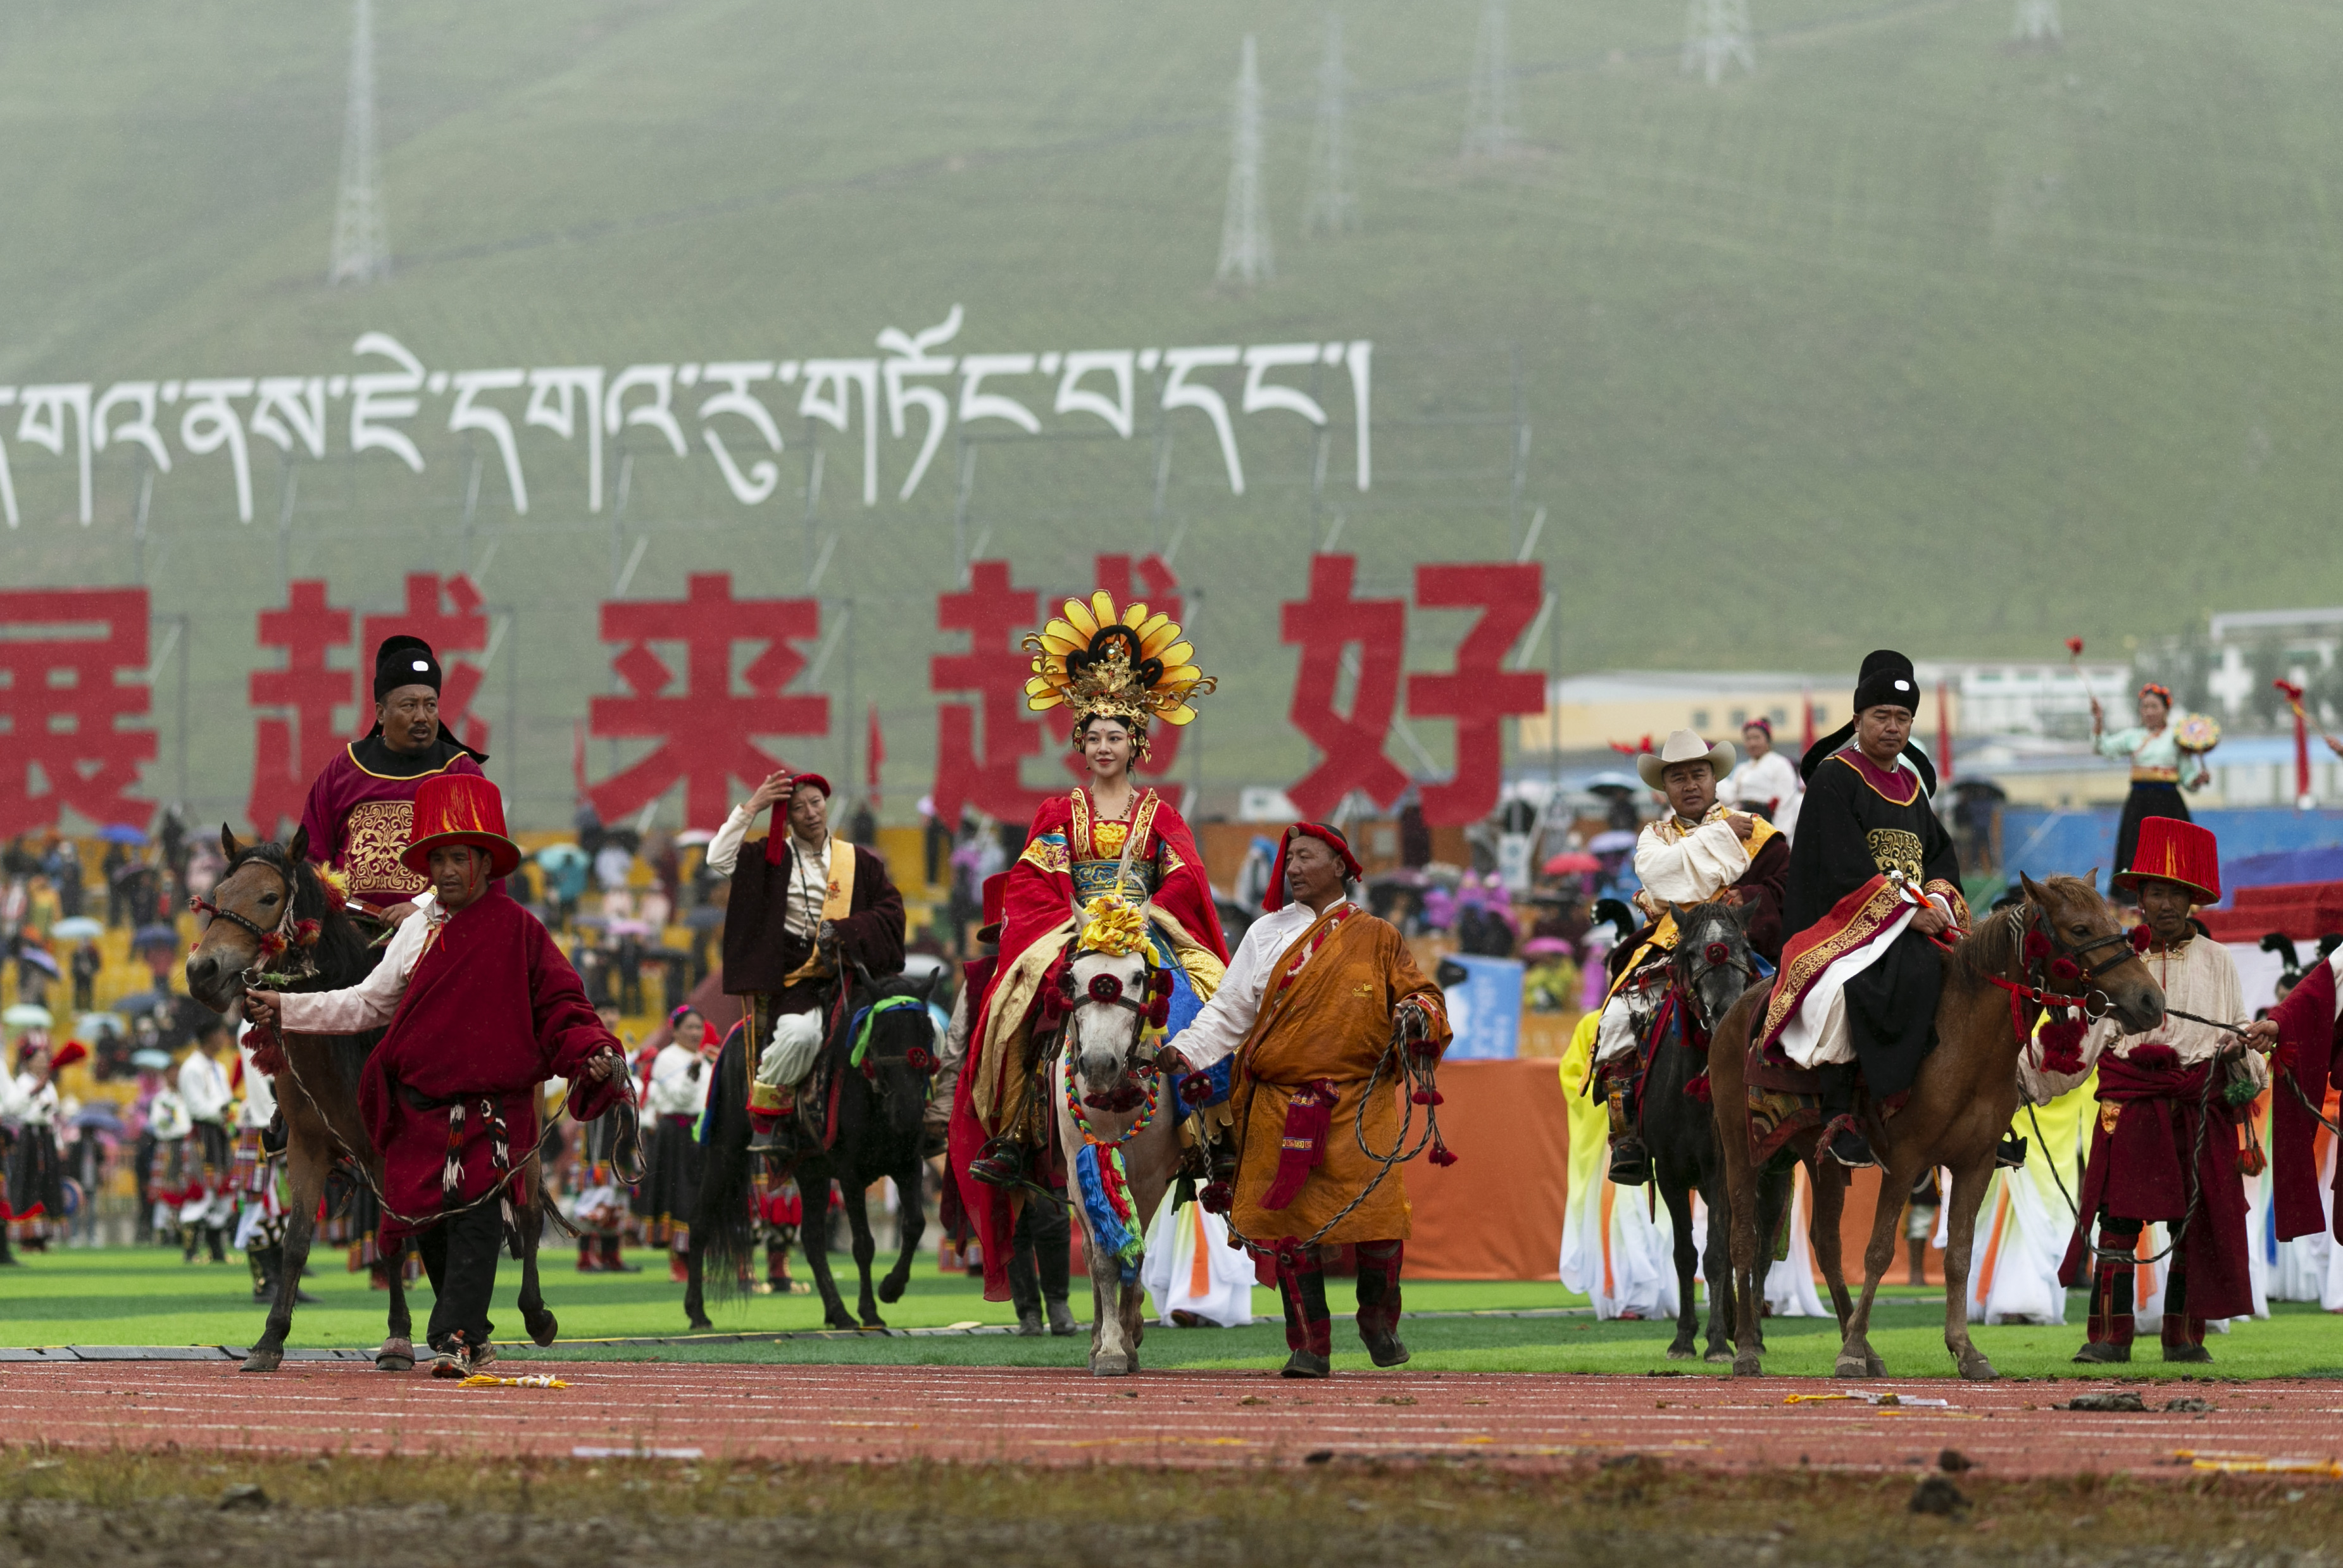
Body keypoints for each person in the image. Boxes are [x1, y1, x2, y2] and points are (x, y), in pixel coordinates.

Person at [246, 773, 629, 1376]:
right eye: (438, 860)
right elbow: (366, 1004)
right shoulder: (414, 931)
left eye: (459, 859)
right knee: (425, 1220)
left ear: (485, 863)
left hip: (490, 1108)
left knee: (475, 1219)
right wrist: (286, 1007)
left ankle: (454, 1335)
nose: (447, 872)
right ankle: (472, 1335)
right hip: (417, 1109)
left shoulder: (520, 930)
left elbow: (562, 1004)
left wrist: (592, 1051)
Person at [949, 589, 1230, 1305]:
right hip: (1072, 932)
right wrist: (1073, 918)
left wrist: (1149, 912)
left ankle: (1212, 1133)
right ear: (1081, 743)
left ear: (1137, 744)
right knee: (1019, 1007)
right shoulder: (1059, 812)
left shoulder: (1159, 814)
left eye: (1116, 737)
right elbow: (1034, 879)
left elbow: (1186, 879)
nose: (1105, 747)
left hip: (1146, 933)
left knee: (1203, 1001)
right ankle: (1017, 1131)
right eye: (1095, 736)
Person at [1163, 823, 1449, 1378]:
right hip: (1280, 1101)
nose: (1292, 868)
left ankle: (1378, 1321)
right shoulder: (1264, 933)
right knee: (1290, 1229)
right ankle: (1309, 1346)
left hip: (1360, 1102)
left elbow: (1422, 994)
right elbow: (1229, 1012)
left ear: (1340, 865)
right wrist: (1186, 1051)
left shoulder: (1379, 936)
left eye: (1305, 857)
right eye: (1289, 858)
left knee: (1381, 1222)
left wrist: (1417, 1014)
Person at [2030, 820, 2266, 1363]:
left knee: (2192, 1224)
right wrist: (2024, 1082)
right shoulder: (2112, 958)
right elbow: (2086, 1039)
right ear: (2139, 898)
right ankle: (2108, 1339)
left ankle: (2183, 1340)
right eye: (2156, 892)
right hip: (2131, 1106)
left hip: (2195, 1107)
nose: (2165, 904)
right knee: (2116, 1223)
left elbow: (2237, 1027)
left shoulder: (2219, 960)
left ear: (2193, 900)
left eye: (2177, 893)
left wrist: (2238, 1050)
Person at [1763, 650, 1967, 1171]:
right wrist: (1905, 914)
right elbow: (1840, 865)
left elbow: (1939, 855)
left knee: (1975, 978)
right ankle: (1841, 1111)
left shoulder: (1913, 787)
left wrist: (1937, 901)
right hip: (1841, 925)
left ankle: (1972, 1111)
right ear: (1857, 721)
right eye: (1881, 716)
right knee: (1864, 982)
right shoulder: (1834, 778)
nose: (1892, 727)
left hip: (1912, 917)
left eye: (1902, 718)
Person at [1589, 729, 1790, 1184]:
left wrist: (1748, 896)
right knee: (1617, 1019)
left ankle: (1800, 1112)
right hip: (1671, 948)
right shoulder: (1654, 838)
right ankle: (1627, 1134)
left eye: (1698, 774)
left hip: (1744, 947)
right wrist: (1720, 837)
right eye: (1678, 778)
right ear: (1665, 787)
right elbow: (1660, 880)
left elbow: (1786, 884)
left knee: (1796, 1011)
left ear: (1715, 779)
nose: (1691, 785)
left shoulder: (1756, 831)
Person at [706, 770, 905, 1152]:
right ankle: (768, 1110)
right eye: (799, 808)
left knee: (914, 1023)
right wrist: (754, 806)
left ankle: (923, 1116)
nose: (811, 813)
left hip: (854, 974)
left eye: (816, 803)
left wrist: (849, 930)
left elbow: (891, 911)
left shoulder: (859, 861)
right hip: (796, 980)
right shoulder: (770, 859)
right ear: (787, 816)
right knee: (801, 1035)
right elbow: (717, 858)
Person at [296, 635, 489, 926]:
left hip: (435, 933)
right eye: (409, 706)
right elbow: (311, 856)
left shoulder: (460, 772)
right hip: (349, 934)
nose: (422, 717)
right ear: (381, 713)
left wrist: (424, 907)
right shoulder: (344, 768)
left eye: (430, 706)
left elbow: (481, 863)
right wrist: (339, 911)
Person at [2091, 683, 2209, 902]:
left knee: (2172, 856)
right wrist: (2098, 721)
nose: (2149, 712)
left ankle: (2175, 900)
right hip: (2139, 805)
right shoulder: (2132, 737)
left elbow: (2188, 777)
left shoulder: (2177, 738)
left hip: (2169, 804)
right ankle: (2133, 902)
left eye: (2154, 706)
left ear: (2166, 709)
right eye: (2145, 707)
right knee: (2136, 853)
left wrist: (2197, 779)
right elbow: (2102, 747)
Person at [639, 1005, 718, 1281]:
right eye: (690, 1027)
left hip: (701, 1132)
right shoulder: (667, 1059)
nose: (696, 1033)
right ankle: (679, 1261)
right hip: (677, 1134)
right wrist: (693, 1073)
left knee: (700, 1197)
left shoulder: (703, 1059)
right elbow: (681, 1098)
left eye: (699, 1027)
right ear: (675, 1031)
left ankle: (697, 1259)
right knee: (679, 1196)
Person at [177, 1018, 235, 1264]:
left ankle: (216, 1250)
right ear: (210, 1036)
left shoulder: (219, 1067)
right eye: (221, 1033)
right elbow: (197, 1107)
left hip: (221, 1132)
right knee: (202, 1189)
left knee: (223, 1190)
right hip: (203, 1132)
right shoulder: (191, 1068)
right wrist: (224, 1111)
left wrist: (231, 1112)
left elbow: (227, 1099)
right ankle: (190, 1251)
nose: (224, 1038)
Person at [1725, 716, 1801, 824]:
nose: (1752, 743)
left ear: (1768, 740)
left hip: (1767, 821)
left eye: (1757, 738)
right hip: (1745, 821)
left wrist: (1781, 830)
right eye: (1748, 739)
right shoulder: (1742, 768)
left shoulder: (1780, 764)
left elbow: (1786, 801)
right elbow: (1733, 798)